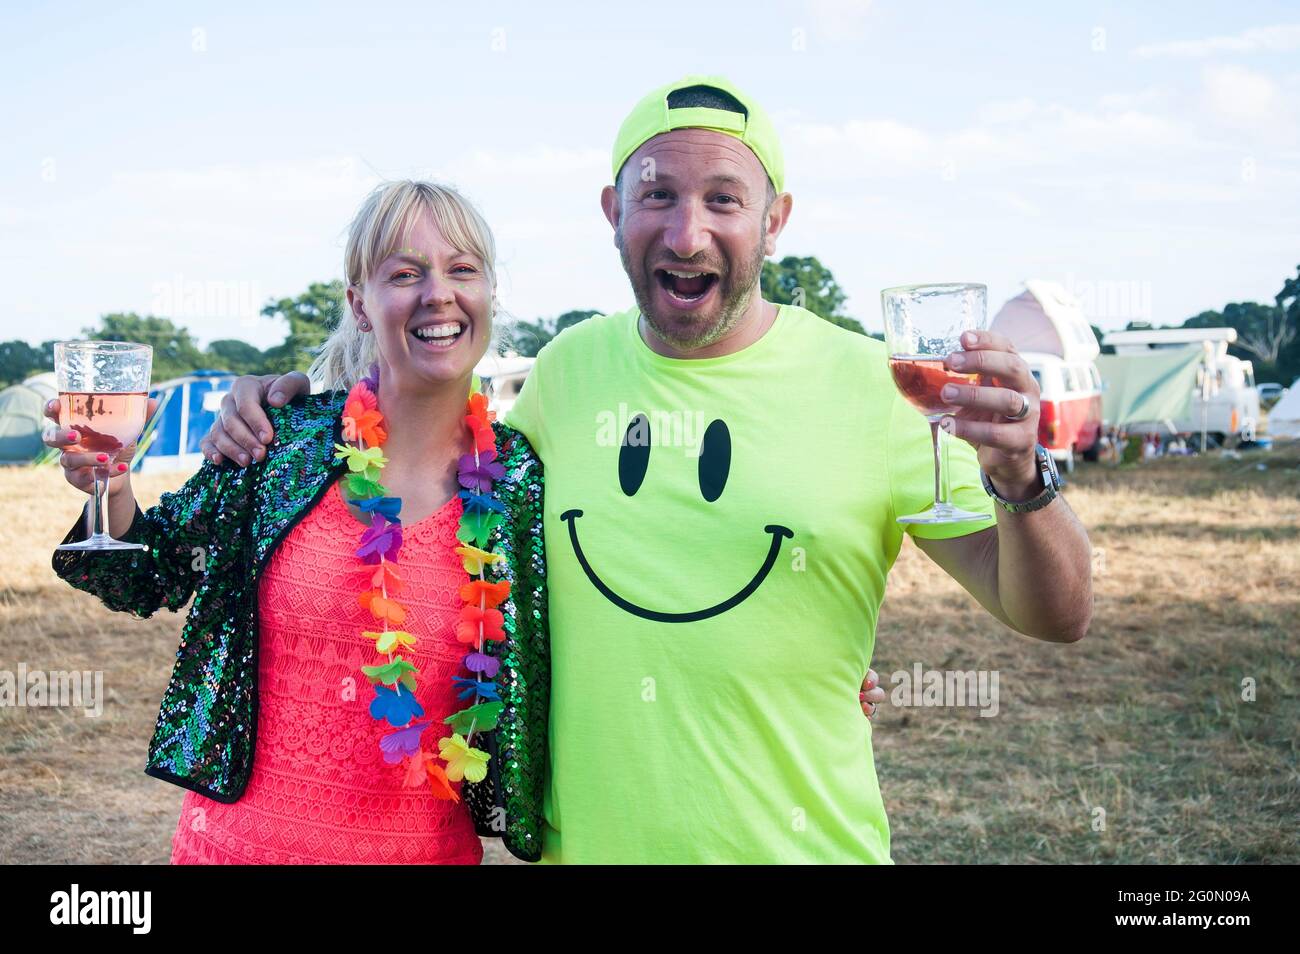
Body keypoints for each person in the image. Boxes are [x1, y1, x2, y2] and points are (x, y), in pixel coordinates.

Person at [201, 76, 1093, 863]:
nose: (687, 231)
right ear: (612, 213)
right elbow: (441, 512)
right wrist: (289, 402)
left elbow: (1054, 616)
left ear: (775, 220)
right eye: (657, 195)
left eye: (723, 199)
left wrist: (1022, 480)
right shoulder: (563, 374)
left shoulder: (874, 385)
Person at [46, 180, 548, 863]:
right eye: (405, 273)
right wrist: (109, 486)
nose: (438, 293)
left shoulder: (518, 481)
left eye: (463, 270)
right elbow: (147, 575)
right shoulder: (280, 439)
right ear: (360, 305)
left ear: (489, 293)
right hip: (233, 851)